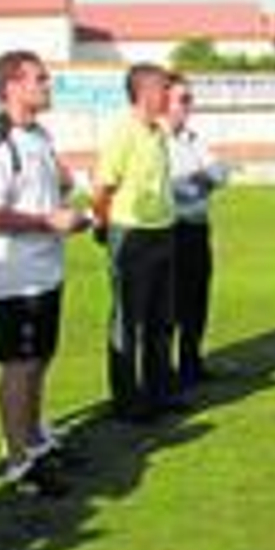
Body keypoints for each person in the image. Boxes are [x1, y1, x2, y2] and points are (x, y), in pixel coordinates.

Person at [0, 50, 91, 497]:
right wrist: (48, 222)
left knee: (39, 359)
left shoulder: (38, 133)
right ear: (12, 87)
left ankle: (36, 441)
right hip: (15, 276)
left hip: (45, 268)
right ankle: (18, 461)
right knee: (18, 367)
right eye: (39, 79)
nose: (47, 85)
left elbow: (53, 186)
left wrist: (64, 198)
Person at [93, 63, 179, 420]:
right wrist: (103, 224)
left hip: (163, 230)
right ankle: (127, 400)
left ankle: (160, 391)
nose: (169, 95)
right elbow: (103, 186)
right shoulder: (123, 133)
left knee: (162, 318)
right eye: (163, 88)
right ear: (143, 93)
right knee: (128, 321)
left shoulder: (157, 132)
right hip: (132, 234)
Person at [164, 73, 231, 387]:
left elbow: (220, 172)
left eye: (189, 99)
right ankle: (164, 371)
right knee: (171, 304)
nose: (189, 106)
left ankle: (191, 363)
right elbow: (172, 187)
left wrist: (200, 181)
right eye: (183, 99)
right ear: (165, 102)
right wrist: (199, 182)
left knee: (197, 299)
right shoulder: (157, 140)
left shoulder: (193, 138)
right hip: (171, 229)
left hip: (197, 228)